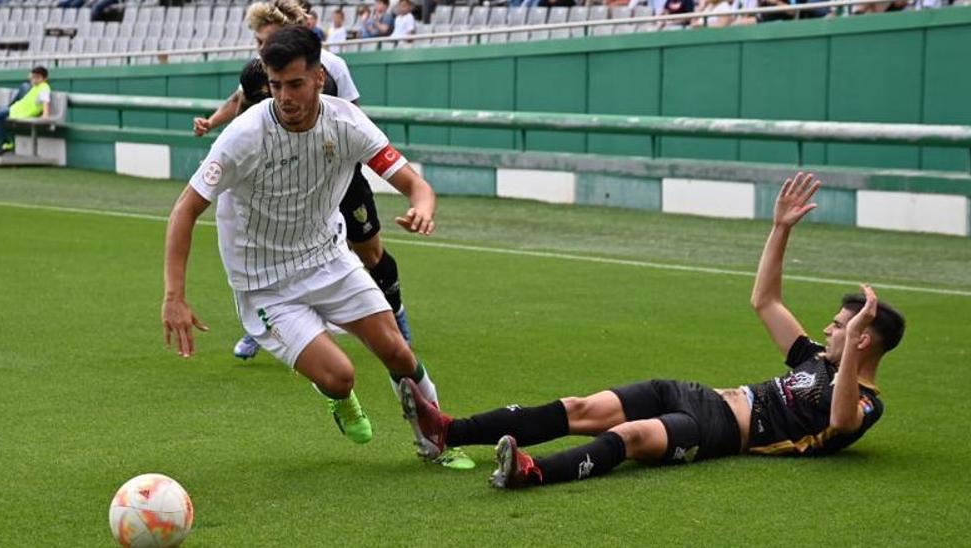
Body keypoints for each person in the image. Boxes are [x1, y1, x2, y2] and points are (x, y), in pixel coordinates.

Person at [399, 172, 906, 489]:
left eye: (842, 327)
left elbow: (839, 424)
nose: (828, 330)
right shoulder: (815, 358)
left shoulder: (863, 402)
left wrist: (854, 345)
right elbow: (765, 300)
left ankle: (532, 472)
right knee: (580, 408)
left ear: (863, 338)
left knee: (630, 436)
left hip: (724, 433)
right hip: (697, 395)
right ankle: (448, 432)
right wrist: (781, 229)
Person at [164, 25, 473, 470]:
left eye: (295, 84)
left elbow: (413, 183)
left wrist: (422, 206)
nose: (284, 96)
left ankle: (437, 442)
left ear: (319, 78)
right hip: (265, 282)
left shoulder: (345, 122)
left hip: (329, 258)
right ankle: (337, 397)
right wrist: (174, 296)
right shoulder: (243, 136)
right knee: (340, 374)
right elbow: (184, 211)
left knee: (397, 351)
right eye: (275, 85)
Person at [193, 0, 419, 366]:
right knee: (275, 243)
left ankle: (393, 313)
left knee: (369, 251)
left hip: (335, 173)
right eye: (257, 43)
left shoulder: (334, 68)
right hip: (279, 177)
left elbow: (353, 116)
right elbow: (239, 102)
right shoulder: (258, 72)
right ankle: (269, 323)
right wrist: (212, 122)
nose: (261, 50)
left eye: (266, 39)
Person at [0, 66, 52, 155]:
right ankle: (3, 107)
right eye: (34, 77)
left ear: (45, 78)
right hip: (16, 108)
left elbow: (46, 102)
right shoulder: (36, 86)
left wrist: (45, 114)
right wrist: (33, 76)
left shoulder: (44, 88)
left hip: (20, 112)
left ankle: (7, 142)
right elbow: (30, 77)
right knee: (24, 86)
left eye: (38, 77)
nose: (35, 79)